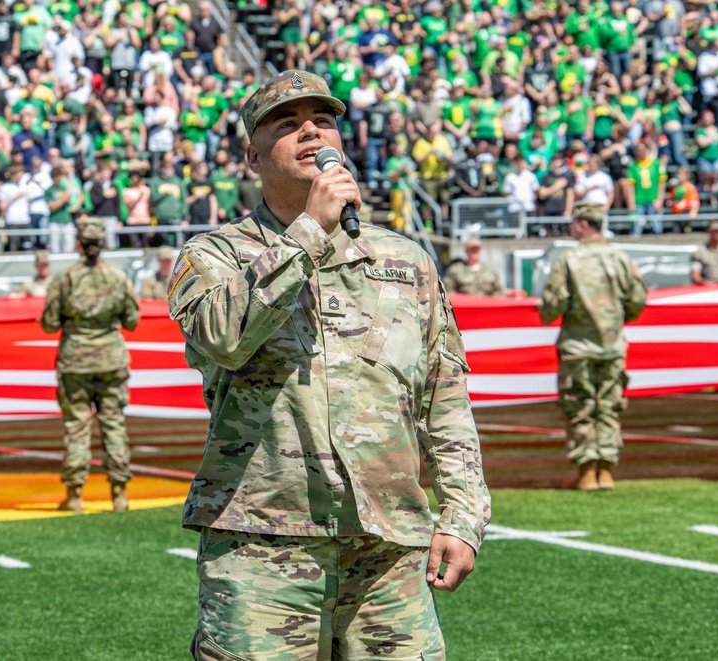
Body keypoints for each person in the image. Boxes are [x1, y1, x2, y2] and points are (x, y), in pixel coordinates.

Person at [167, 70, 490, 660]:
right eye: (287, 124)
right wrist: (310, 230)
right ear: (253, 155)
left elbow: (445, 397)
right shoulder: (214, 255)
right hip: (263, 551)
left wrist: (463, 515)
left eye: (323, 121)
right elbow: (224, 336)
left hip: (390, 552)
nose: (311, 132)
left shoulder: (405, 260)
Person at [539, 203, 648, 492]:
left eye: (574, 222)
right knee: (609, 407)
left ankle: (587, 472)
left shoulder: (568, 259)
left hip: (578, 346)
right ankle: (606, 471)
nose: (571, 227)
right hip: (613, 346)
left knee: (581, 406)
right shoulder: (621, 258)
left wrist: (547, 313)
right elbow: (638, 299)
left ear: (584, 224)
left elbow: (553, 304)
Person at [41, 216, 140, 514]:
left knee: (76, 427)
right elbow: (132, 321)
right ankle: (119, 494)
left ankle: (74, 497)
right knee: (113, 424)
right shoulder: (118, 278)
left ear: (79, 244)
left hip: (75, 362)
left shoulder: (64, 279)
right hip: (111, 359)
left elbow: (48, 323)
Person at [692, 220, 718, 284]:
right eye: (714, 231)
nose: (717, 233)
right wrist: (705, 283)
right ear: (709, 231)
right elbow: (695, 275)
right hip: (708, 289)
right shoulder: (700, 252)